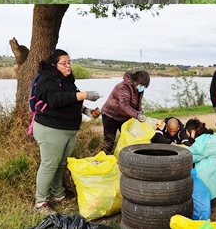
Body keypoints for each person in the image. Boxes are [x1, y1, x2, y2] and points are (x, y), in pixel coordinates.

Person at [31, 49, 101, 213]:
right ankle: (40, 203)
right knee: (49, 165)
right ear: (54, 64)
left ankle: (58, 194)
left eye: (69, 62)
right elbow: (56, 99)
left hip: (68, 129)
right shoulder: (47, 79)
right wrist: (85, 94)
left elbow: (71, 100)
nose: (68, 66)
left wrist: (87, 112)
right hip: (51, 129)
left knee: (61, 164)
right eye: (64, 63)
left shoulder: (66, 80)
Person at [100, 70, 150, 155]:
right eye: (142, 85)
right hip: (110, 115)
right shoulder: (123, 87)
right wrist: (136, 115)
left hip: (124, 117)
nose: (143, 87)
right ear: (136, 81)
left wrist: (140, 112)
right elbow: (124, 106)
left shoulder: (139, 89)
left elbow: (138, 103)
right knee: (109, 142)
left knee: (130, 138)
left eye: (145, 86)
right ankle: (104, 159)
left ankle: (126, 158)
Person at [185, 118, 216, 199]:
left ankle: (210, 194)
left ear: (192, 132)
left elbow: (188, 156)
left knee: (194, 169)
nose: (188, 137)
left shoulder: (201, 144)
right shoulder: (212, 136)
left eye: (188, 135)